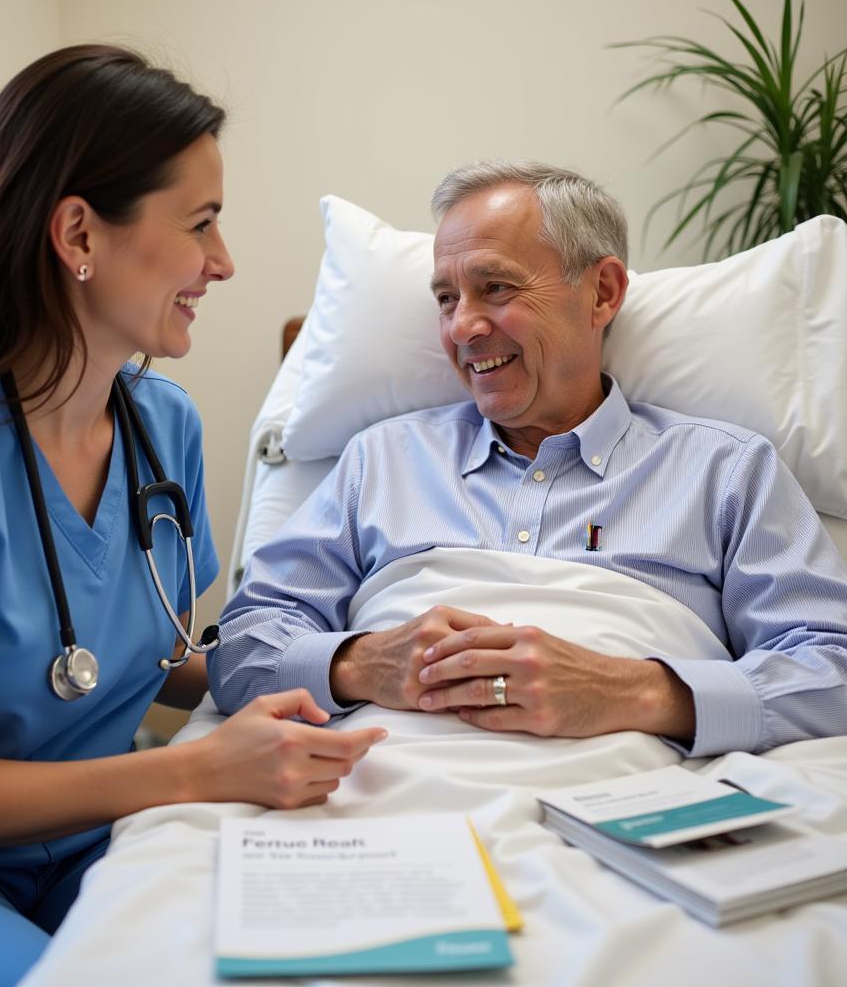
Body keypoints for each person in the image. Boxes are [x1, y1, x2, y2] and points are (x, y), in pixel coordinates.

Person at [0, 45, 384, 987]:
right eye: (201, 223)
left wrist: (349, 671)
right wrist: (201, 772)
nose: (224, 262)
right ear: (79, 233)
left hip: (93, 839)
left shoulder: (163, 424)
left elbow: (154, 655)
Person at [209, 160, 847, 759]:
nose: (462, 327)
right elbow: (239, 647)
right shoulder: (381, 459)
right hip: (373, 792)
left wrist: (629, 691)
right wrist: (362, 663)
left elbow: (831, 668)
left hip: (626, 809)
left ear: (602, 292)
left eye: (495, 288)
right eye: (445, 299)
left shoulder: (726, 471)